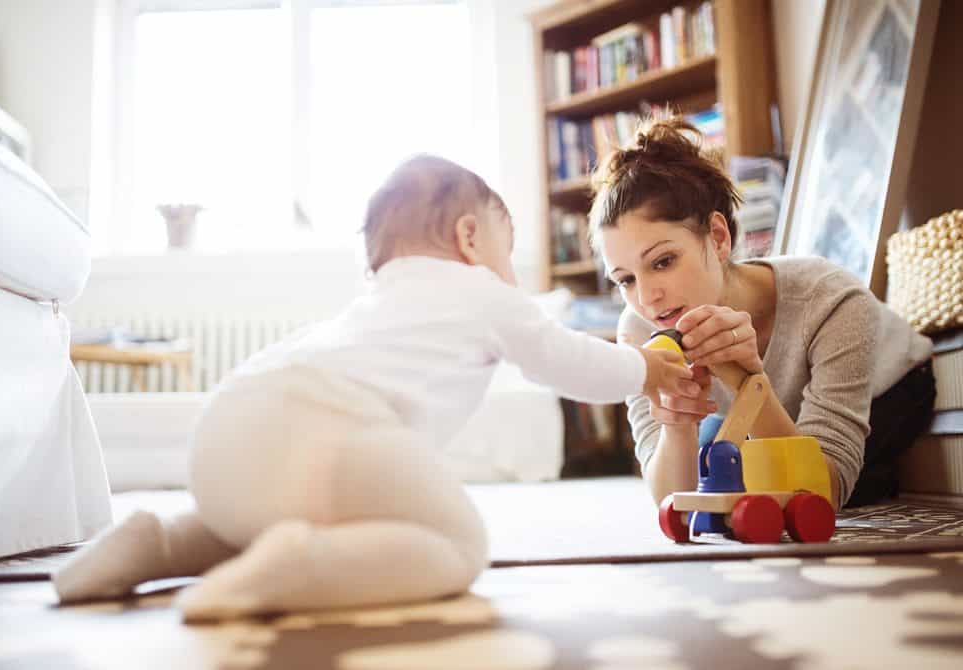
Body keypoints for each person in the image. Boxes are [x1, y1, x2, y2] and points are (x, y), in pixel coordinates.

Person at [54, 154, 695, 620]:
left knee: (248, 520)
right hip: (334, 428)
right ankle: (289, 572)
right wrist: (645, 367)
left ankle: (156, 542)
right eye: (507, 249)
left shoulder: (377, 301)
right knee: (455, 544)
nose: (508, 270)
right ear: (470, 239)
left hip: (230, 425)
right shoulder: (481, 291)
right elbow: (565, 361)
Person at [589, 116, 935, 511]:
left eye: (664, 261)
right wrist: (677, 427)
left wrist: (747, 384)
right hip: (780, 409)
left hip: (893, 387)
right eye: (625, 280)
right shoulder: (638, 330)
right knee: (716, 462)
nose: (648, 298)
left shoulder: (830, 299)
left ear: (718, 238)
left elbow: (821, 495)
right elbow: (673, 502)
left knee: (770, 484)